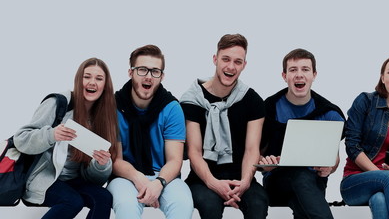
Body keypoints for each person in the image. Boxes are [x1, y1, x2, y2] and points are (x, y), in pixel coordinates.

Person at [13, 58, 118, 219]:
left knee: (104, 198)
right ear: (78, 79)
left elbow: (94, 179)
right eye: (87, 76)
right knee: (72, 201)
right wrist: (51, 135)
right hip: (44, 179)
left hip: (74, 181)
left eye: (99, 78)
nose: (92, 82)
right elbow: (21, 139)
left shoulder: (103, 117)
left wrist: (101, 164)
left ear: (105, 85)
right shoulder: (60, 102)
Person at [180, 33, 269, 219]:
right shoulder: (192, 99)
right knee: (210, 206)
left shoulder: (252, 100)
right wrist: (213, 183)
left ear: (244, 65)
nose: (230, 67)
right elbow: (194, 152)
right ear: (215, 59)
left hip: (241, 177)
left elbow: (252, 149)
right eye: (225, 59)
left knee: (258, 204)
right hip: (202, 179)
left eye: (238, 62)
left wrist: (244, 182)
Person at [107, 45, 193, 219]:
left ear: (162, 76)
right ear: (131, 73)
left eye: (155, 71)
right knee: (127, 206)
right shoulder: (112, 106)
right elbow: (115, 159)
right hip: (125, 176)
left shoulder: (172, 108)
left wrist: (158, 183)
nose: (148, 76)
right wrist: (140, 179)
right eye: (142, 70)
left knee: (183, 204)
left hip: (164, 176)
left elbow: (175, 160)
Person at [258, 48, 345, 219]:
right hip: (277, 184)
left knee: (302, 204)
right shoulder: (268, 108)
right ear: (284, 76)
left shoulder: (329, 113)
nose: (299, 75)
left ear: (314, 75)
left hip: (314, 186)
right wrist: (265, 164)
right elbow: (253, 156)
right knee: (300, 174)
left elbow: (334, 158)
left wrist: (329, 167)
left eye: (305, 69)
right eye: (293, 70)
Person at [340, 55, 389, 219]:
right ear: (383, 78)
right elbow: (352, 146)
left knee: (379, 200)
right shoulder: (365, 102)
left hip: (387, 185)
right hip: (354, 182)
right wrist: (382, 175)